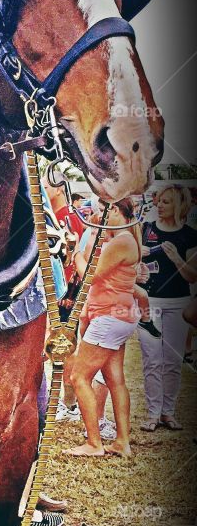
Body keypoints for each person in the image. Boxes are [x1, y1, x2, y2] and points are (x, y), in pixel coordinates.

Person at [64, 198, 145, 457]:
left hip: (109, 317)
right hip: (117, 316)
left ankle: (94, 443)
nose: (100, 216)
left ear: (118, 211)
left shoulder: (122, 241)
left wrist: (75, 251)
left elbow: (90, 276)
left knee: (79, 377)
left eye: (103, 211)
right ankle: (122, 442)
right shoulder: (124, 239)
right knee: (115, 380)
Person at [138, 184, 197, 430]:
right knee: (151, 360)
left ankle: (168, 413)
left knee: (172, 361)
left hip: (177, 303)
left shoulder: (189, 235)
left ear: (179, 205)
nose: (160, 205)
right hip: (149, 303)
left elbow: (192, 276)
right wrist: (137, 259)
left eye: (167, 202)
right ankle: (153, 414)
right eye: (159, 201)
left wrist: (175, 257)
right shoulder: (146, 229)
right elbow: (131, 261)